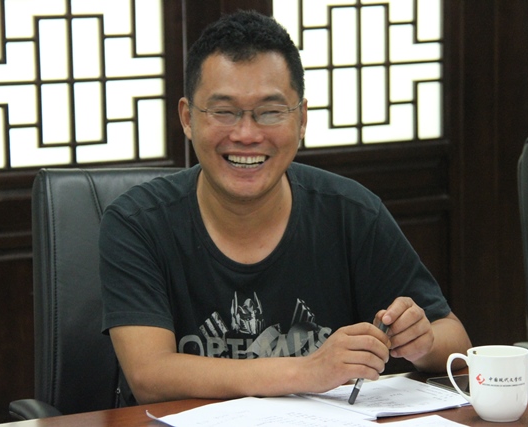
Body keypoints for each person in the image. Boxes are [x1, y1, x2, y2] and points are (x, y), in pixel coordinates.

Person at [100, 10, 471, 406]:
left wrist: (420, 342)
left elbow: (456, 342)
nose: (246, 134)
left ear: (302, 119)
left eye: (270, 112)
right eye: (223, 111)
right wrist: (308, 371)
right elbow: (150, 375)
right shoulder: (137, 223)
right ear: (188, 118)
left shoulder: (351, 212)